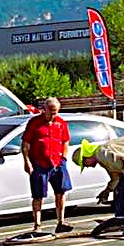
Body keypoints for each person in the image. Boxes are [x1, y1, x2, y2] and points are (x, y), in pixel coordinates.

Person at [21, 98, 74, 235]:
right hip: (39, 163)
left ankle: (61, 221)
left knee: (61, 192)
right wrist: (27, 162)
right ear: (44, 110)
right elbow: (26, 144)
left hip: (57, 162)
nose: (53, 115)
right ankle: (37, 225)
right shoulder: (34, 123)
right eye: (51, 112)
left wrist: (63, 158)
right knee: (38, 195)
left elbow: (65, 141)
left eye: (56, 112)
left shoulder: (61, 123)